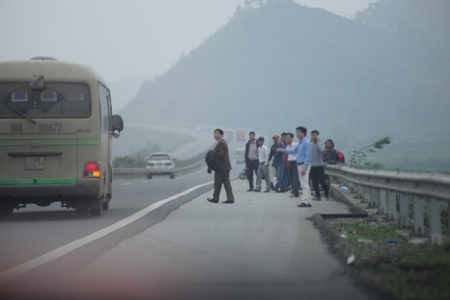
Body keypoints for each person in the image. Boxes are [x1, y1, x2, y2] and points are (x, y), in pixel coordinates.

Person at [277, 126, 312, 207]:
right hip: (299, 164)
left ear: (303, 133)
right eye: (297, 132)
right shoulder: (300, 143)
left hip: (304, 164)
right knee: (304, 183)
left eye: (299, 132)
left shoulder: (306, 142)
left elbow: (308, 155)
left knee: (303, 184)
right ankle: (309, 201)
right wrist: (282, 150)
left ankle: (304, 201)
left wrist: (305, 167)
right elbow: (293, 151)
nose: (297, 134)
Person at [207, 129, 234, 204]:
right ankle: (230, 198)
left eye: (217, 133)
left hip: (222, 167)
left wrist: (213, 154)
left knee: (217, 183)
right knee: (226, 183)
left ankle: (215, 198)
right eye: (214, 133)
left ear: (221, 135)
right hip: (225, 167)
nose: (215, 135)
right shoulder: (221, 142)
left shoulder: (221, 143)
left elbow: (221, 154)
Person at [310, 130, 329, 201]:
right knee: (314, 181)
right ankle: (318, 195)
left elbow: (322, 150)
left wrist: (317, 142)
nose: (313, 136)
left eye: (315, 135)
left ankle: (327, 193)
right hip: (312, 165)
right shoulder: (310, 144)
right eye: (312, 135)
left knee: (322, 180)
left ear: (318, 136)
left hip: (319, 165)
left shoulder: (320, 143)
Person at [285, 133, 299, 198]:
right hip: (289, 162)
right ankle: (295, 192)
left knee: (295, 178)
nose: (287, 139)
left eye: (288, 137)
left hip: (295, 162)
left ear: (292, 138)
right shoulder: (287, 146)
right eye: (286, 137)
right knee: (291, 178)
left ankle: (294, 192)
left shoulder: (296, 145)